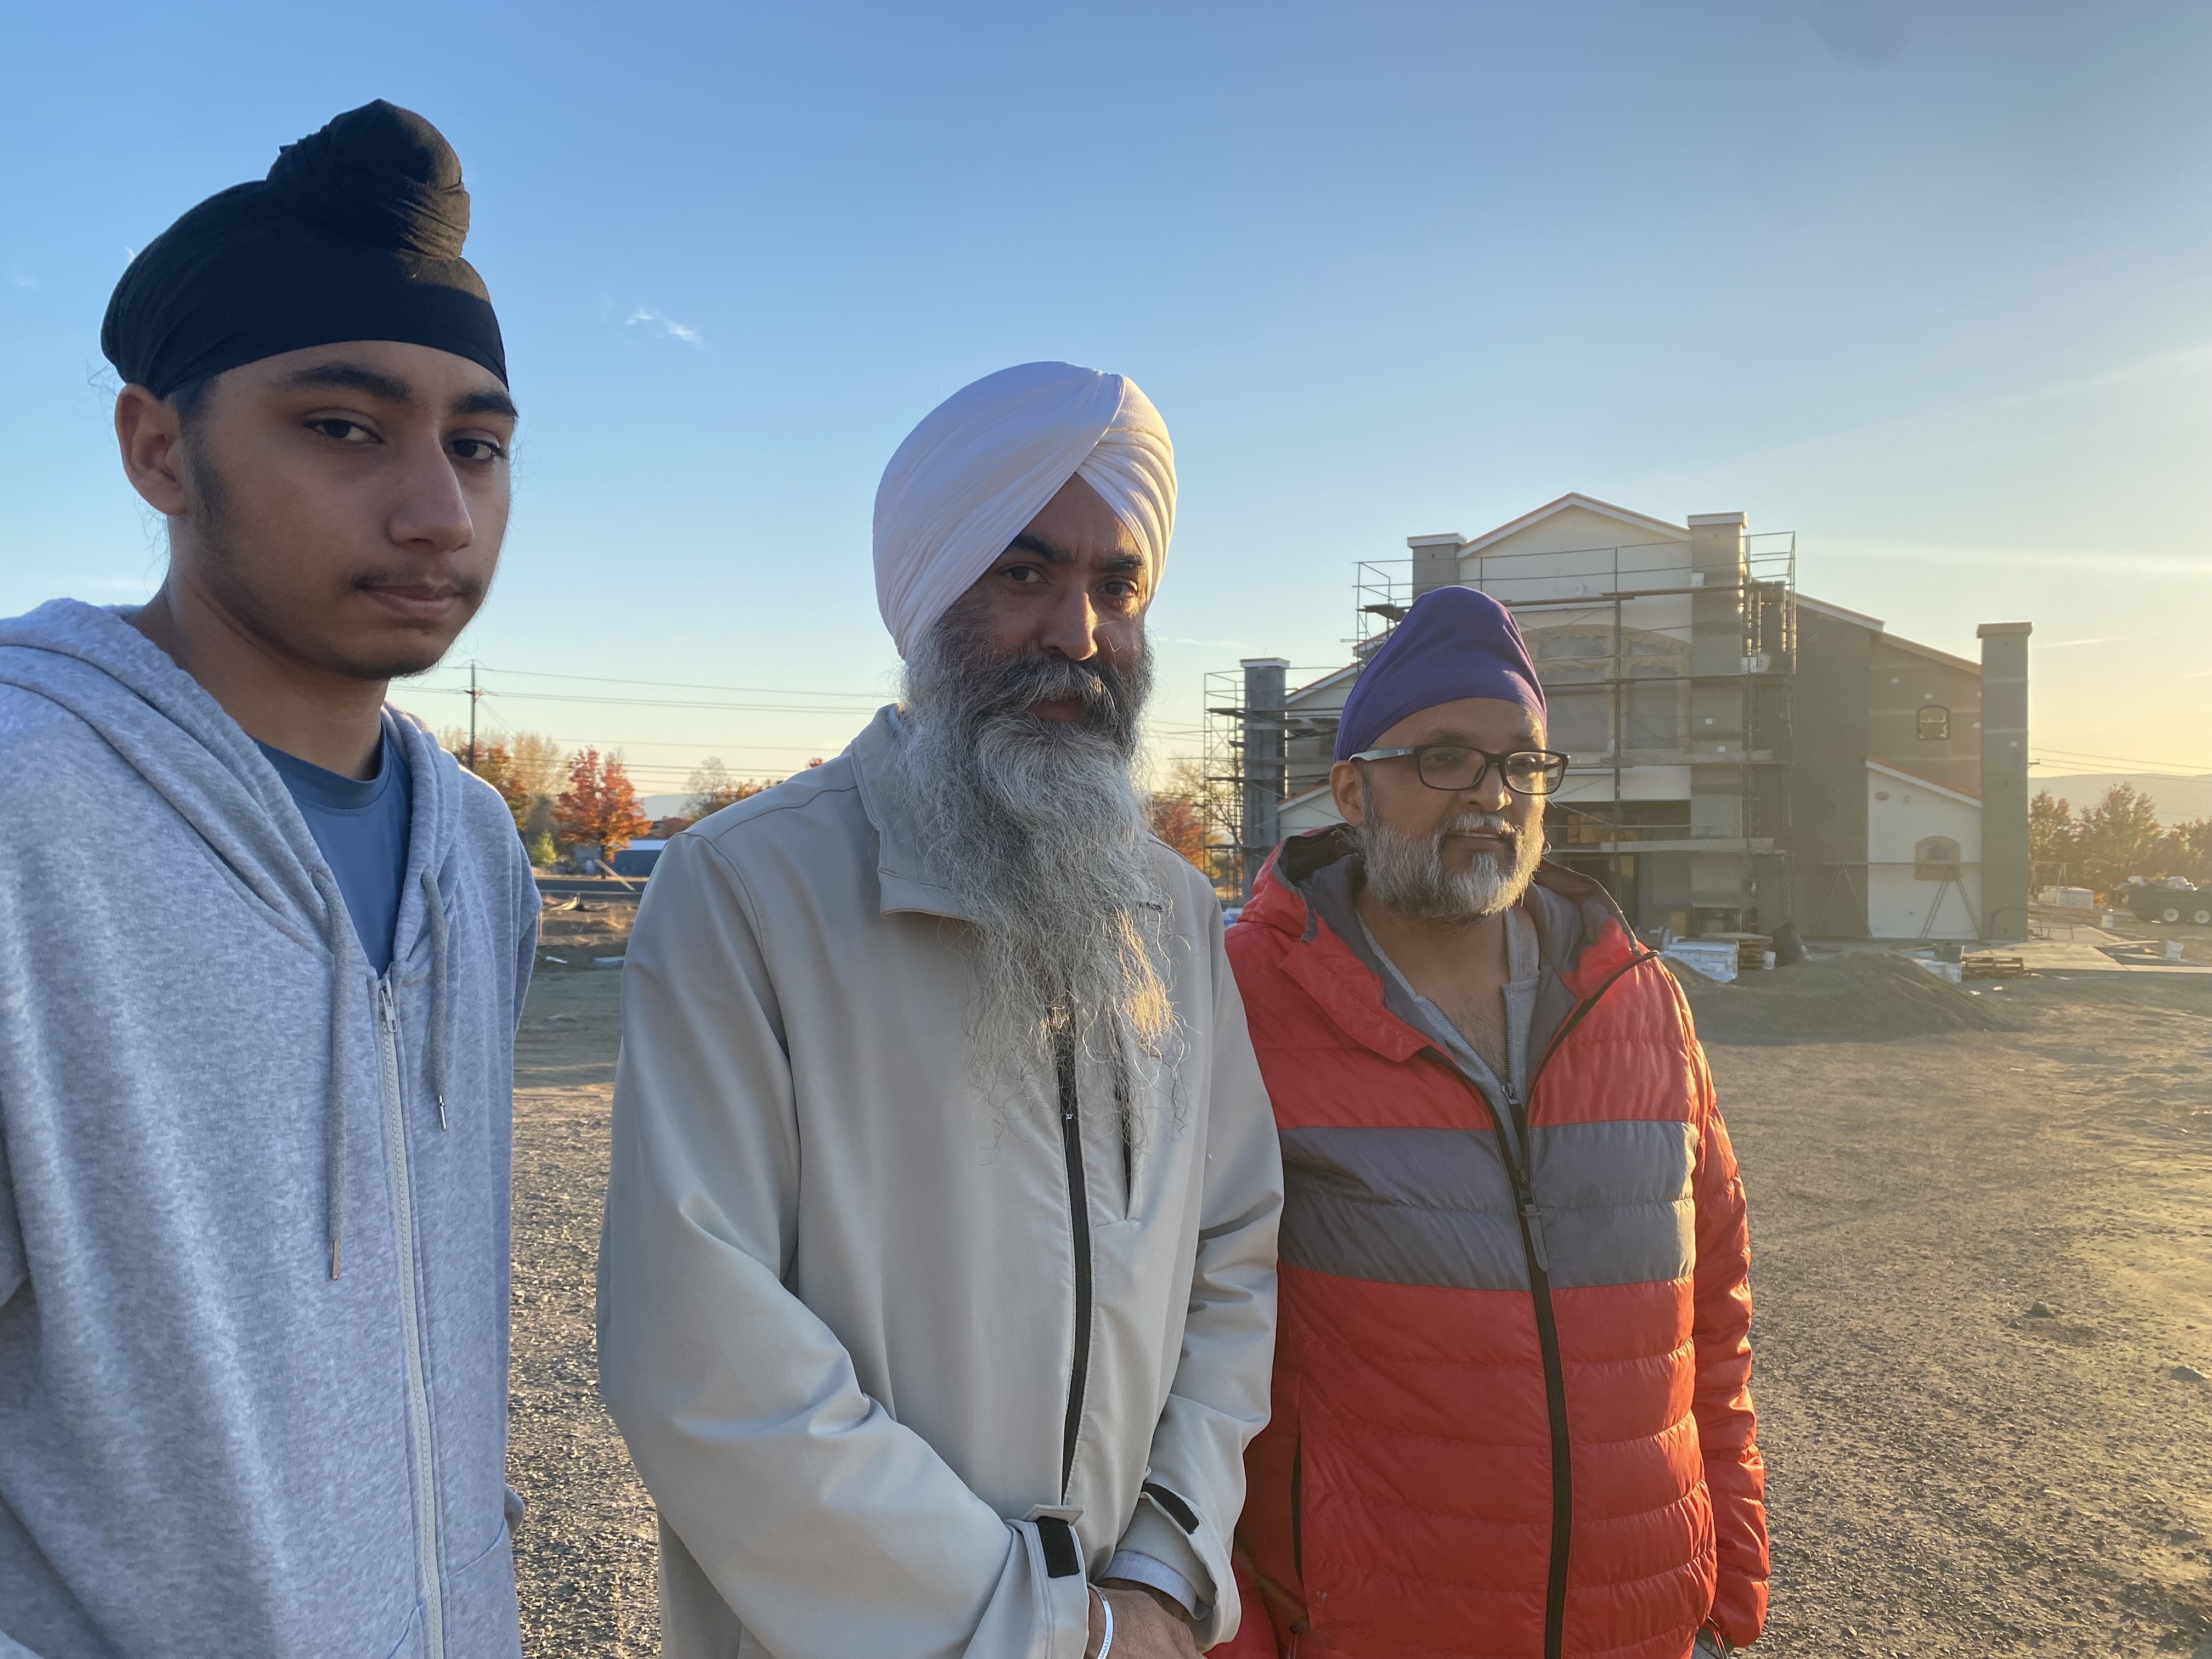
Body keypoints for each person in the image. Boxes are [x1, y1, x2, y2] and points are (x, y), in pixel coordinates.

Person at [599, 361, 1283, 1659]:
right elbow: (700, 1349)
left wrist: (1157, 1569)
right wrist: (1039, 1630)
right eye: (1022, 573)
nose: (1080, 633)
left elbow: (1230, 1256)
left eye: (1115, 585)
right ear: (924, 593)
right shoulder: (748, 891)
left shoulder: (1176, 917)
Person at [0, 103, 537, 1658]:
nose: (439, 509)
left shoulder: (476, 848)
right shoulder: (31, 816)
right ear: (158, 447)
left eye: (478, 444)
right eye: (343, 427)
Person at [1222, 586, 1767, 1659]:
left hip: (1649, 1627)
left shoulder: (1637, 1002)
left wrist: (1726, 1581)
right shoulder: (1242, 1004)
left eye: (1521, 761)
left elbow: (1714, 1317)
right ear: (1350, 790)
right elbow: (1166, 1357)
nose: (1492, 794)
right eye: (1444, 759)